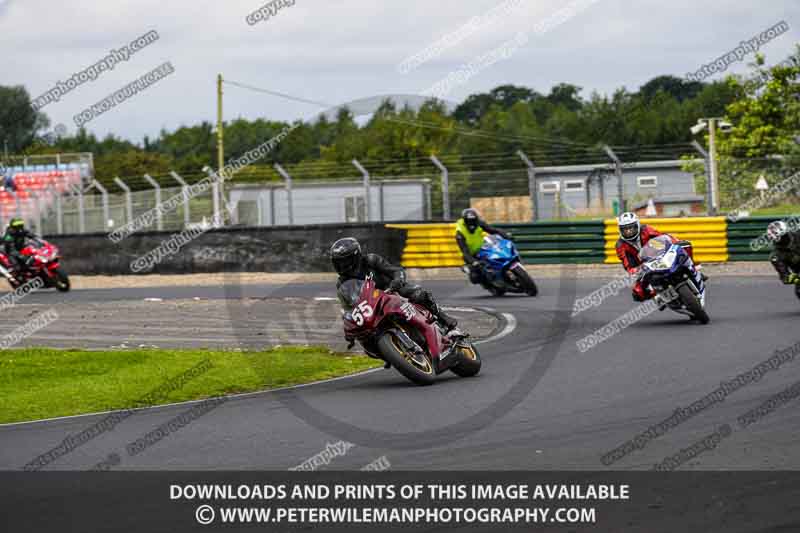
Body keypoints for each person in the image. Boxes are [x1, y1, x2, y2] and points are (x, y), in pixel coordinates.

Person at [331, 237, 458, 332]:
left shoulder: (371, 260)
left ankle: (442, 318)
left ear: (356, 256)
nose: (343, 266)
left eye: (345, 261)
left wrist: (397, 281)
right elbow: (348, 306)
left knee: (417, 294)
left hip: (392, 290)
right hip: (373, 307)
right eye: (339, 263)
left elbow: (396, 270)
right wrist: (348, 318)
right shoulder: (342, 283)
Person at [615, 212, 700, 302]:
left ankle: (692, 267)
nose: (629, 231)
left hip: (659, 255)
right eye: (625, 229)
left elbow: (663, 236)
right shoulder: (620, 245)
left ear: (637, 225)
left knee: (685, 246)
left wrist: (675, 242)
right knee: (638, 293)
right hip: (642, 266)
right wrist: (633, 271)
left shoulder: (646, 229)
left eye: (631, 228)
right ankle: (659, 296)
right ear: (620, 230)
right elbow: (626, 263)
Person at [455, 208, 512, 286]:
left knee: (496, 254)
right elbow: (465, 251)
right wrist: (473, 262)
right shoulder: (460, 233)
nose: (471, 224)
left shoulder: (479, 223)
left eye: (473, 221)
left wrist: (505, 235)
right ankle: (488, 283)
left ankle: (502, 272)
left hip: (482, 248)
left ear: (476, 219)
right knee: (475, 277)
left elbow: (492, 230)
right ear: (465, 221)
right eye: (469, 221)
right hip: (470, 254)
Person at [766, 220, 800, 296]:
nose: (785, 239)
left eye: (785, 235)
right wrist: (795, 278)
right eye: (782, 237)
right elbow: (785, 277)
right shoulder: (776, 257)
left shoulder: (798, 234)